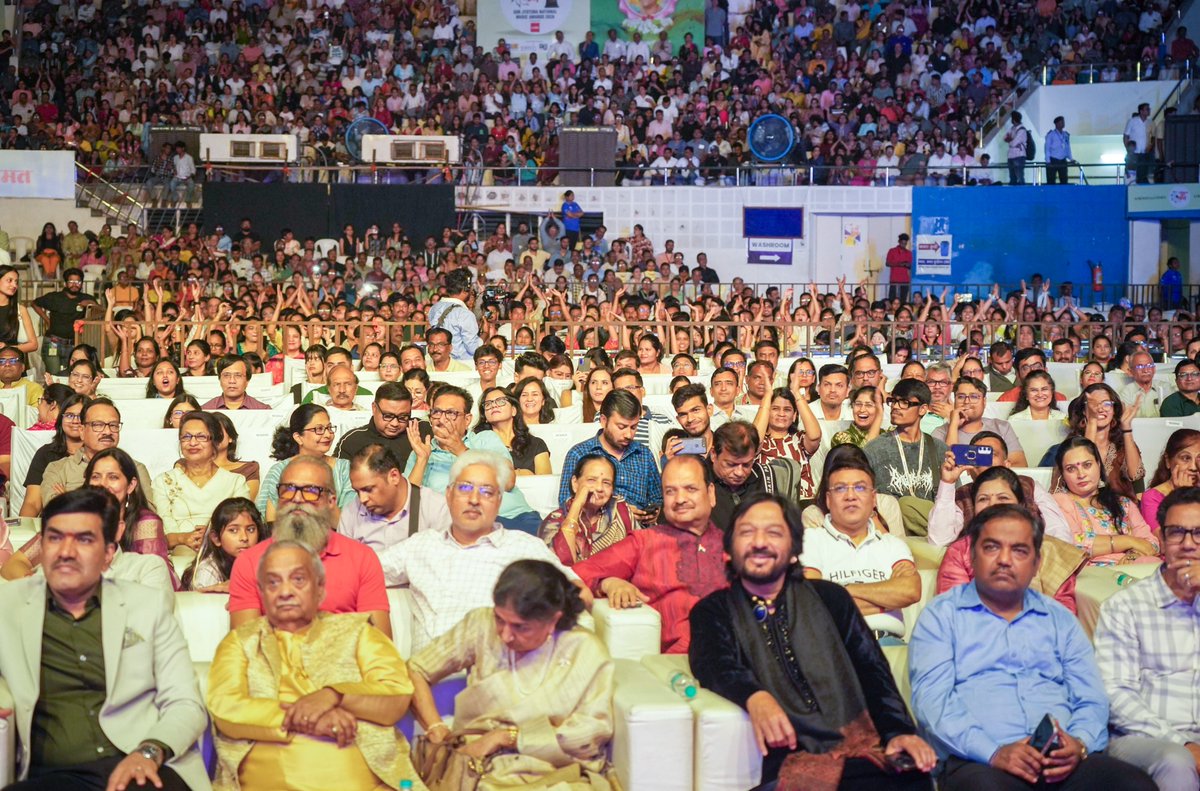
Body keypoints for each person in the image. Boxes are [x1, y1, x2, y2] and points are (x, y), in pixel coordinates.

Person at [689, 493, 937, 790]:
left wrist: (898, 731)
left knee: (913, 777)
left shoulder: (830, 598)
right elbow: (714, 663)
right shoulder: (714, 610)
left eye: (773, 532)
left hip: (859, 744)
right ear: (729, 549)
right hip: (786, 756)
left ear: (794, 549)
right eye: (746, 532)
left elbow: (872, 670)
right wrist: (754, 695)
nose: (759, 542)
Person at [909, 504, 1156, 791]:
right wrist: (994, 752)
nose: (1004, 560)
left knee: (1132, 785)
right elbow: (933, 703)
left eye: (1019, 550)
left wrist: (1080, 743)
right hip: (980, 761)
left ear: (1037, 562)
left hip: (1063, 760)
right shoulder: (941, 616)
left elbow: (1091, 697)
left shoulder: (1060, 619)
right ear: (972, 555)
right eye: (991, 548)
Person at [0, 488, 209, 791]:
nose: (66, 551)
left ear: (109, 553)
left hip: (143, 767)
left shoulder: (146, 606)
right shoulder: (8, 606)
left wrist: (149, 751)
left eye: (84, 540)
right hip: (55, 776)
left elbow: (186, 702)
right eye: (55, 538)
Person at [208, 540, 419, 791]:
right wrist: (304, 719)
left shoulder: (359, 632)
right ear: (262, 593)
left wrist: (335, 695)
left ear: (320, 589)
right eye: (273, 582)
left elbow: (397, 693)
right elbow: (225, 707)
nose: (285, 591)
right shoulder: (240, 642)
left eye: (298, 580)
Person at [407, 559, 619, 790]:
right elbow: (416, 668)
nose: (505, 635)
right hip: (478, 764)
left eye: (521, 627)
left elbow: (589, 733)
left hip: (556, 767)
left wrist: (506, 737)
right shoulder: (481, 624)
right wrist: (436, 728)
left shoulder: (585, 650)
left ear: (553, 620)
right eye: (500, 620)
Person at [378, 450, 581, 651]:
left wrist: (607, 583)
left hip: (502, 672)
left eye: (486, 491)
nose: (474, 499)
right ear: (448, 495)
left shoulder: (525, 546)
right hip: (430, 677)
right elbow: (361, 570)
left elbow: (577, 592)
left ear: (499, 501)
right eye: (465, 488)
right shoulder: (421, 546)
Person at [1095, 486, 1200, 791]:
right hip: (1144, 740)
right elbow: (1116, 696)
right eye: (1177, 532)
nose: (1189, 544)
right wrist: (1181, 742)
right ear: (1162, 540)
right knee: (1176, 760)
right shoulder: (1125, 607)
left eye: (1198, 533)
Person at [573, 454, 727, 653]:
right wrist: (607, 583)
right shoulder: (644, 542)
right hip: (674, 663)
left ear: (711, 493)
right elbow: (575, 574)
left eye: (690, 489)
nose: (680, 499)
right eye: (670, 491)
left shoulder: (736, 548)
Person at [228, 455, 392, 638]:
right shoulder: (249, 562)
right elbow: (245, 646)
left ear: (331, 500)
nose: (297, 499)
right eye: (288, 489)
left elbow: (380, 646)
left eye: (311, 490)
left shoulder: (362, 558)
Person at [801, 449, 920, 642]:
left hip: (887, 642)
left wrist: (842, 592)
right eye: (840, 488)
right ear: (828, 499)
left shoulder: (892, 544)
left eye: (860, 488)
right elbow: (813, 598)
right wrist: (887, 599)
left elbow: (911, 590)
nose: (850, 496)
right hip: (834, 643)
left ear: (874, 498)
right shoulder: (811, 540)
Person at [933, 466, 1087, 613]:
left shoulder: (1049, 549)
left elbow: (1064, 614)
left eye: (1003, 498)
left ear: (1020, 504)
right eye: (983, 499)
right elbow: (952, 609)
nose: (992, 505)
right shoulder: (961, 551)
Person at [405, 384, 542, 534]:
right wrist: (422, 460)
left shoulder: (485, 439)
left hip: (512, 518)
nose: (442, 419)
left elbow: (508, 481)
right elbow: (407, 506)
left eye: (451, 413)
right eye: (437, 412)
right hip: (458, 526)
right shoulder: (422, 451)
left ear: (467, 419)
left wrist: (459, 448)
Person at [928, 432, 1072, 547]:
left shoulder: (1030, 486)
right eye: (978, 455)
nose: (985, 461)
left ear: (1006, 464)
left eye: (991, 454)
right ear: (970, 466)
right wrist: (947, 483)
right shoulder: (961, 495)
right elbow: (939, 540)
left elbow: (1059, 534)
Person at [558, 389, 663, 523]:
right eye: (621, 427)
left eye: (633, 427)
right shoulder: (579, 453)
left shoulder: (644, 455)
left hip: (639, 532)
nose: (628, 435)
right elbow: (566, 504)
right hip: (595, 531)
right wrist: (619, 511)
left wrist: (653, 512)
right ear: (603, 420)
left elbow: (657, 498)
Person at [1053, 436, 1159, 569]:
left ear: (1098, 465)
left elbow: (1151, 543)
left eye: (1087, 465)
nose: (1081, 474)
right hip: (1091, 574)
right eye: (1071, 469)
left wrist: (1134, 555)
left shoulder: (1123, 503)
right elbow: (1072, 544)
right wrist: (1128, 541)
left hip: (1133, 567)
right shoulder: (1058, 503)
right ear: (1062, 474)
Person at [154, 410, 251, 549]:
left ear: (215, 442)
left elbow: (242, 527)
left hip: (221, 553)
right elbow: (159, 531)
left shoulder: (235, 482)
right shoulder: (163, 481)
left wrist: (213, 535)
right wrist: (183, 538)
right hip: (176, 555)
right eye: (186, 437)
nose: (192, 442)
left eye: (201, 437)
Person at [864, 379, 949, 534]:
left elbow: (951, 500)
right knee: (904, 504)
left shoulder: (938, 449)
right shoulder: (874, 449)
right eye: (893, 401)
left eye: (904, 402)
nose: (896, 407)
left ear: (923, 409)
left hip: (932, 531)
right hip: (890, 532)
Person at [40, 397, 156, 510]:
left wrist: (73, 501)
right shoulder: (58, 469)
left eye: (113, 425)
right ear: (82, 431)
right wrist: (119, 505)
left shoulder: (136, 469)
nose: (107, 431)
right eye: (98, 425)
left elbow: (147, 515)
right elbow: (56, 512)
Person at [339, 443, 449, 551]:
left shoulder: (437, 508)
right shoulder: (351, 512)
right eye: (357, 491)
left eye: (368, 489)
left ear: (394, 476)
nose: (362, 499)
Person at [258, 404, 353, 520]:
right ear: (298, 437)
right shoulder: (279, 471)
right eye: (319, 429)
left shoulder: (344, 468)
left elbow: (350, 519)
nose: (328, 435)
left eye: (329, 428)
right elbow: (267, 521)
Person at [540, 454, 636, 565]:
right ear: (575, 483)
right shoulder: (555, 521)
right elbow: (560, 565)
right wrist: (577, 505)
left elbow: (640, 551)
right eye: (591, 480)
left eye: (606, 483)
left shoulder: (620, 509)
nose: (599, 488)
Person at [932, 377, 1028, 466]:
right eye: (961, 397)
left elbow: (1020, 464)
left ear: (984, 401)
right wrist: (953, 425)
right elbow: (947, 468)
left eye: (974, 397)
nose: (967, 401)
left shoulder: (1002, 427)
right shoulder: (940, 432)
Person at [18, 393, 84, 517]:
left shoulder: (97, 456)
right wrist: (24, 531)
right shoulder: (46, 453)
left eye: (81, 416)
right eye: (69, 415)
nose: (75, 421)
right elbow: (32, 503)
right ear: (61, 419)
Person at [334, 382, 428, 466]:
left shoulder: (424, 430)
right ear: (374, 408)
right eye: (388, 416)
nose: (395, 423)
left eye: (403, 417)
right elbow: (340, 481)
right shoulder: (352, 441)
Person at [182, 497, 264, 592]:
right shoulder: (207, 572)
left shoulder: (264, 562)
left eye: (250, 529)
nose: (244, 537)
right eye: (233, 530)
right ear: (216, 538)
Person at [32, 267, 98, 375]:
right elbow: (34, 303)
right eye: (71, 281)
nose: (74, 284)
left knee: (71, 375)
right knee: (55, 375)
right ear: (66, 283)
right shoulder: (54, 297)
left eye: (78, 281)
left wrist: (91, 303)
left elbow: (100, 312)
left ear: (81, 283)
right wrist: (47, 319)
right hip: (53, 342)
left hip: (74, 344)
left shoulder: (86, 298)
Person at [475, 386, 551, 474]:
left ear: (513, 410)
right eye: (488, 404)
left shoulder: (536, 444)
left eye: (501, 401)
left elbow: (545, 481)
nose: (494, 405)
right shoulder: (477, 443)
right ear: (485, 416)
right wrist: (522, 473)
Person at [1140, 428, 1200, 533]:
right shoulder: (1151, 498)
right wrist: (1182, 497)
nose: (1193, 467)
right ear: (1168, 461)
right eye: (1186, 458)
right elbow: (1166, 540)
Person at [426, 268, 481, 361]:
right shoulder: (465, 314)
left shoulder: (434, 308)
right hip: (461, 367)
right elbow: (473, 349)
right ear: (465, 289)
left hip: (437, 363)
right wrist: (485, 334)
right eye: (470, 286)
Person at [202, 354, 272, 410]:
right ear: (219, 379)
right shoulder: (205, 411)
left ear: (247, 380)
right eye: (226, 375)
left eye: (238, 375)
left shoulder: (263, 411)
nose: (232, 381)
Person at [1045, 116, 1073, 185]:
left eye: (1063, 121)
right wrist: (1048, 161)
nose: (1063, 123)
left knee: (1064, 180)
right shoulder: (1051, 134)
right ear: (1057, 124)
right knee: (1051, 181)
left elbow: (1068, 148)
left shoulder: (1066, 135)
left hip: (1063, 160)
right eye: (1061, 122)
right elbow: (1047, 148)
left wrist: (1071, 159)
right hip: (1053, 160)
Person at [885, 233, 912, 304]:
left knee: (903, 300)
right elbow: (887, 263)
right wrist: (900, 264)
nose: (904, 245)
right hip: (894, 279)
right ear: (899, 242)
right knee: (892, 299)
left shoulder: (909, 253)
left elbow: (909, 265)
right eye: (902, 243)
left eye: (905, 244)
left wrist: (906, 264)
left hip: (905, 279)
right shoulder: (892, 251)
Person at [1004, 110, 1029, 185]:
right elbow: (1005, 138)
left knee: (1020, 177)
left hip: (1019, 156)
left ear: (1014, 119)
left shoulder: (1022, 130)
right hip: (1011, 155)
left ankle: (1022, 193)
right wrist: (1011, 140)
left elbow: (1013, 143)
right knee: (1012, 178)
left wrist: (1010, 140)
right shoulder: (1012, 128)